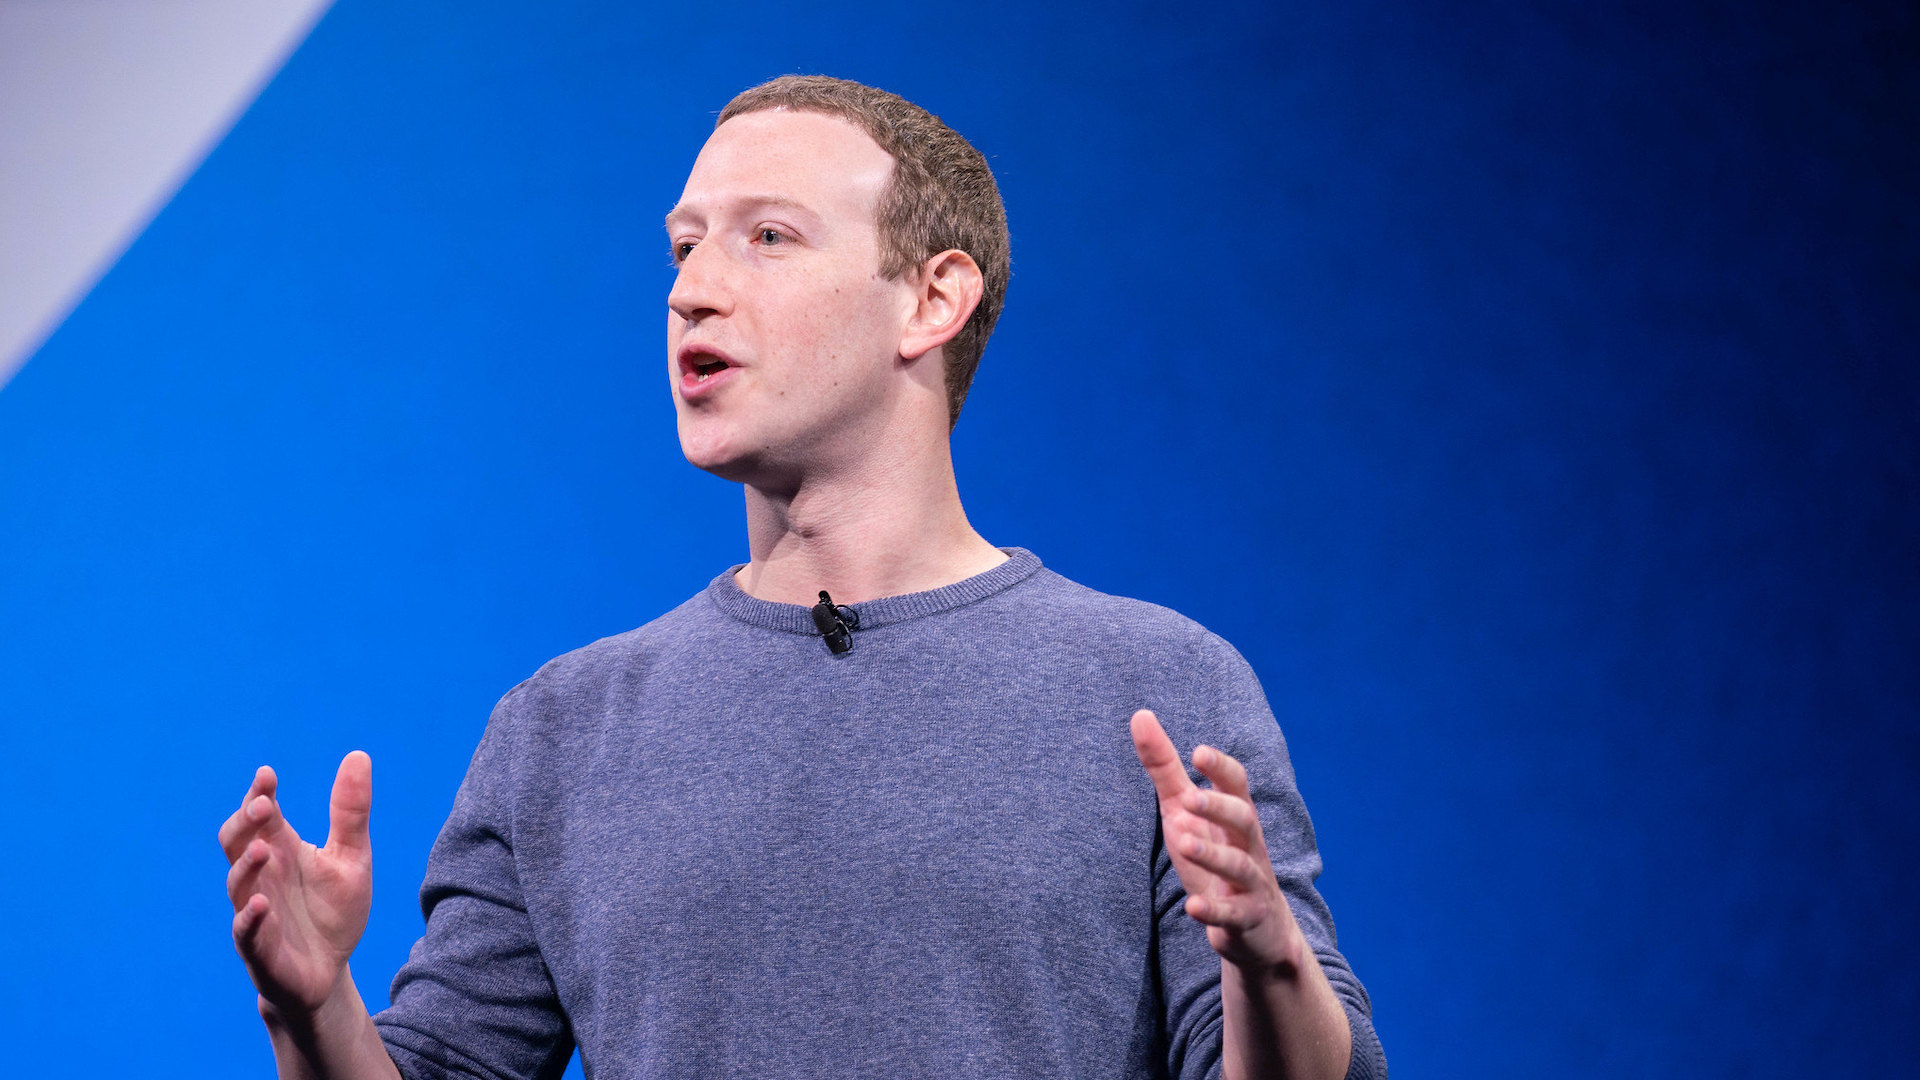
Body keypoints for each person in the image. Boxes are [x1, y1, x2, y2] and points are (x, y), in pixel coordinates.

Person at [218, 75, 1387, 1080]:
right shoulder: (562, 731)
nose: (691, 288)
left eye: (766, 237)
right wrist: (312, 1007)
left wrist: (1262, 956)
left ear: (932, 299)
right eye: (684, 245)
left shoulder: (1152, 687)